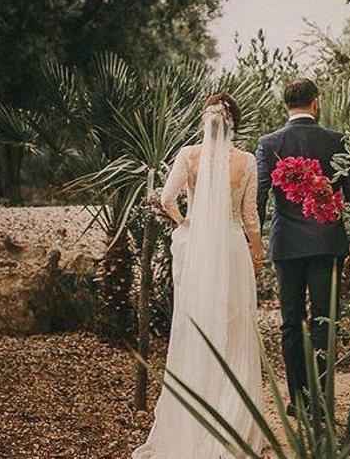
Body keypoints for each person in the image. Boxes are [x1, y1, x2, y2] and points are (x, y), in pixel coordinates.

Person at [132, 93, 264, 458]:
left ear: (204, 122)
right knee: (234, 328)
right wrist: (257, 251)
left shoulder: (188, 156)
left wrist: (184, 222)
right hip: (233, 248)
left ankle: (193, 409)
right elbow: (250, 216)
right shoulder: (247, 161)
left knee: (196, 324)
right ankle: (233, 418)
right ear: (233, 123)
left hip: (198, 249)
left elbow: (166, 198)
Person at [256, 78, 350, 416]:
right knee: (323, 320)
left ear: (285, 106)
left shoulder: (269, 143)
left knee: (292, 322)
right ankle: (320, 400)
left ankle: (298, 399)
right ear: (316, 102)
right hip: (327, 243)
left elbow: (260, 196)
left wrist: (251, 241)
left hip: (287, 245)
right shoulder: (336, 141)